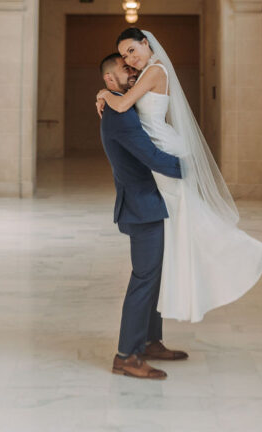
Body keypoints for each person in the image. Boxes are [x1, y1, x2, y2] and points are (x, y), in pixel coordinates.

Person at [97, 28, 262, 323]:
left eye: (132, 50)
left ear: (146, 43)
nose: (130, 59)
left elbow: (124, 104)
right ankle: (178, 292)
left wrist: (104, 93)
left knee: (191, 220)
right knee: (184, 222)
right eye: (125, 56)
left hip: (164, 148)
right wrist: (105, 91)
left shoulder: (155, 70)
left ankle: (243, 254)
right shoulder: (144, 74)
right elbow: (126, 100)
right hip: (159, 145)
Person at [99, 52, 189, 379]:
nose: (133, 69)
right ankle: (126, 355)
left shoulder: (122, 104)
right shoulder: (120, 114)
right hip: (141, 205)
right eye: (126, 68)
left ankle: (151, 341)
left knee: (154, 277)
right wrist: (195, 171)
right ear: (110, 79)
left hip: (150, 201)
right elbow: (151, 156)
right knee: (144, 278)